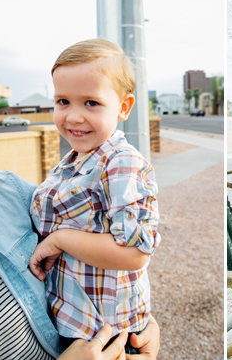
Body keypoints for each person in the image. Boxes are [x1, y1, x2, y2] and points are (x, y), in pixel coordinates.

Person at [0, 49, 160, 359]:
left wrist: (140, 324)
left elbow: (124, 251)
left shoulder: (6, 195)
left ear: (124, 106)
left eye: (91, 102)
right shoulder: (70, 167)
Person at [29, 39, 160, 354]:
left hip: (106, 335)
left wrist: (59, 240)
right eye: (63, 101)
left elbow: (135, 254)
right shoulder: (75, 160)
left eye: (91, 103)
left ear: (123, 107)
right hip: (77, 323)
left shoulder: (120, 162)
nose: (73, 116)